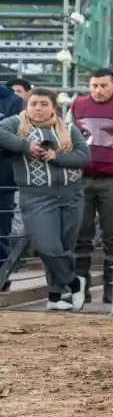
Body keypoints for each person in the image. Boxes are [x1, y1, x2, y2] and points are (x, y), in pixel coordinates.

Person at [0, 87, 91, 311]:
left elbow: (84, 156)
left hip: (72, 194)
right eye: (33, 104)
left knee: (64, 247)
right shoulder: (16, 124)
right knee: (46, 246)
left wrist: (56, 156)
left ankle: (55, 296)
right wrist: (26, 146)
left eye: (43, 104)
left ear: (53, 107)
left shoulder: (68, 128)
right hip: (36, 196)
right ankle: (74, 282)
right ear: (26, 106)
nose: (38, 108)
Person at [67, 68, 113, 304]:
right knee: (81, 235)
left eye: (103, 85)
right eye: (94, 86)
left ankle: (112, 289)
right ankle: (80, 289)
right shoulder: (77, 105)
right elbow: (65, 135)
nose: (98, 90)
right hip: (82, 177)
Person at [0, 84, 24, 291]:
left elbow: (16, 137)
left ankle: (2, 275)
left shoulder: (12, 101)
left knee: (2, 229)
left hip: (3, 178)